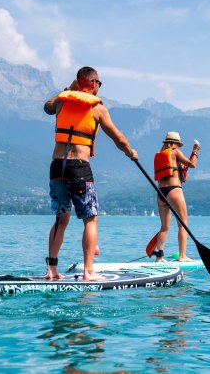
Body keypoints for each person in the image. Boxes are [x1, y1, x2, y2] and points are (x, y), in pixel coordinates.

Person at [43, 66, 138, 281]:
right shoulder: (97, 108)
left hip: (57, 167)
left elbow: (47, 107)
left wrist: (68, 89)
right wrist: (131, 152)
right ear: (94, 84)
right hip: (78, 167)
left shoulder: (62, 101)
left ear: (77, 82)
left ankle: (52, 270)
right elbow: (118, 138)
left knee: (61, 219)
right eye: (99, 84)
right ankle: (88, 271)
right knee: (90, 220)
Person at [151, 131, 200, 262]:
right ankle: (182, 256)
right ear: (176, 144)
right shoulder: (175, 152)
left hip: (161, 192)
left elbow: (179, 169)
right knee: (183, 225)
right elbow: (192, 164)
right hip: (174, 190)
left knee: (164, 227)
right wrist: (195, 151)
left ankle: (159, 257)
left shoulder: (160, 155)